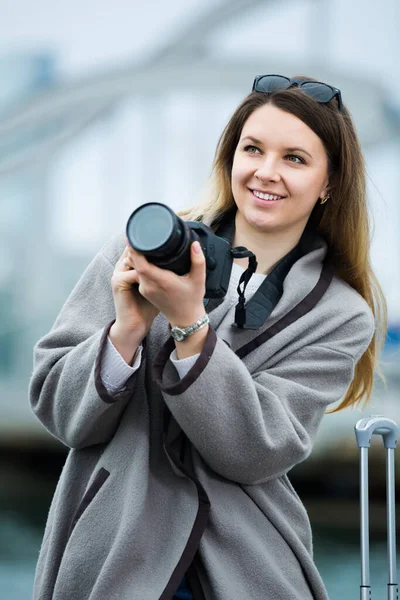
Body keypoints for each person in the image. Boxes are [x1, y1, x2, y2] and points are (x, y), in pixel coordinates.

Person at [29, 74, 386, 600]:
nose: (266, 172)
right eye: (253, 149)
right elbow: (60, 412)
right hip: (114, 550)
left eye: (294, 158)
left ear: (329, 181)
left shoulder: (340, 314)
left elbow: (256, 450)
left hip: (245, 565)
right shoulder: (144, 249)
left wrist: (189, 325)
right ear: (230, 157)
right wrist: (127, 329)